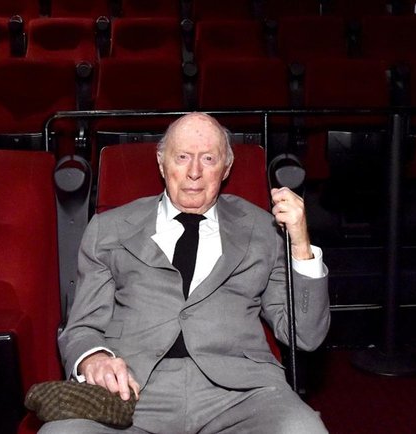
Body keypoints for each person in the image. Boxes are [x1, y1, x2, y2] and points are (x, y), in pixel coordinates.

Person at [40, 112, 330, 434]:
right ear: (162, 163)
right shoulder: (109, 229)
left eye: (208, 158)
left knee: (304, 430)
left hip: (241, 393)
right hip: (132, 389)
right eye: (182, 157)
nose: (194, 172)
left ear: (226, 168)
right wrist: (93, 359)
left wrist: (301, 245)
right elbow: (81, 327)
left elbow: (304, 336)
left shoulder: (263, 229)